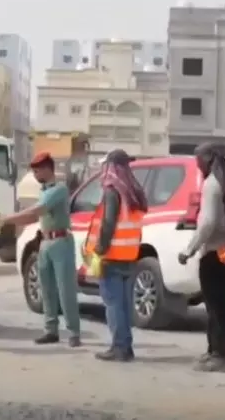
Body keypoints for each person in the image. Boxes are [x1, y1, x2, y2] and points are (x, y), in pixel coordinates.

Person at [177, 143, 225, 373]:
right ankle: (214, 350)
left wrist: (189, 250)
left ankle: (220, 356)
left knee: (215, 307)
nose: (197, 164)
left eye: (198, 159)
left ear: (208, 158)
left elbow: (208, 223)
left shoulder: (212, 183)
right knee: (221, 305)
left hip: (214, 253)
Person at [2, 152, 82, 347]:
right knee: (46, 288)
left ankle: (73, 332)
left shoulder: (59, 190)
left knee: (65, 289)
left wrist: (6, 219)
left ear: (47, 169)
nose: (36, 174)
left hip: (61, 242)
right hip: (45, 241)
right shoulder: (45, 190)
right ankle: (50, 330)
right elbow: (34, 216)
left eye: (38, 171)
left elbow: (36, 211)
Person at [84, 149, 148, 362]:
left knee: (113, 304)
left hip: (112, 256)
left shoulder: (112, 191)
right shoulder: (134, 191)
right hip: (129, 255)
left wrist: (99, 250)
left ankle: (119, 347)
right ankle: (126, 347)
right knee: (124, 305)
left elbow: (108, 222)